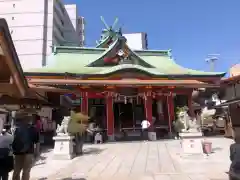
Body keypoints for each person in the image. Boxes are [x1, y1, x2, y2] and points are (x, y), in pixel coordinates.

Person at [12, 113, 39, 180]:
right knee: (26, 170)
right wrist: (36, 152)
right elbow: (36, 141)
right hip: (29, 152)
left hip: (17, 152)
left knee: (16, 170)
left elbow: (13, 140)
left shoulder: (17, 128)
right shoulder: (33, 129)